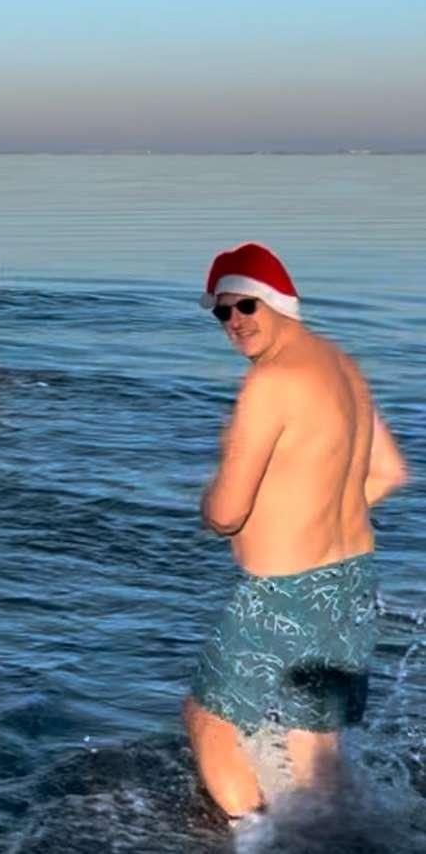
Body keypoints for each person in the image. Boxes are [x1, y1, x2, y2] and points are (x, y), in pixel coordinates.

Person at [183, 243, 407, 820]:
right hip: (351, 581)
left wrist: (209, 504)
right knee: (314, 743)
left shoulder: (269, 382)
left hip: (284, 590)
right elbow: (389, 471)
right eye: (222, 312)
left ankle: (260, 838)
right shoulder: (340, 364)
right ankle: (333, 840)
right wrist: (307, 510)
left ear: (280, 301)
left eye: (246, 307)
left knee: (210, 722)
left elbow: (227, 512)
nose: (234, 322)